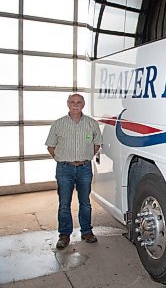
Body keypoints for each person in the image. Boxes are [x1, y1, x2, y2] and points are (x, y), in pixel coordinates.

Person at [45, 93, 102, 250]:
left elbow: (97, 144)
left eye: (79, 102)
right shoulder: (58, 124)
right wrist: (62, 159)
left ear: (83, 104)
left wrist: (87, 157)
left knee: (85, 203)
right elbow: (51, 146)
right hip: (64, 169)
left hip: (84, 168)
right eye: (72, 102)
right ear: (68, 104)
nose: (75, 104)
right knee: (64, 204)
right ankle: (64, 235)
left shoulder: (91, 124)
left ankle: (87, 231)